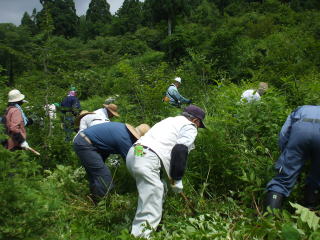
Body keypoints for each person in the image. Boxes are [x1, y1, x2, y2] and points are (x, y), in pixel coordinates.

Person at [126, 104, 206, 238]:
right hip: (147, 157)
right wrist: (177, 178)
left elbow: (160, 149)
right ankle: (141, 236)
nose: (198, 127)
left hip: (135, 152)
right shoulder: (190, 127)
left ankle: (158, 222)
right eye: (199, 125)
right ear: (196, 121)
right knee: (152, 199)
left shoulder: (169, 121)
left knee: (159, 187)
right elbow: (180, 149)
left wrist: (172, 179)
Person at [73, 122, 150, 201]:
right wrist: (145, 180)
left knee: (95, 175)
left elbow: (139, 154)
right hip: (85, 143)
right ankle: (103, 203)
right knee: (103, 175)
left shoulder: (125, 132)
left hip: (86, 142)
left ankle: (94, 198)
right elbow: (134, 162)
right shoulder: (125, 138)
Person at [265, 105, 320, 210]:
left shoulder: (301, 109)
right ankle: (310, 211)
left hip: (300, 132)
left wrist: (285, 154)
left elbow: (283, 133)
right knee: (316, 178)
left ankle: (268, 219)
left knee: (282, 180)